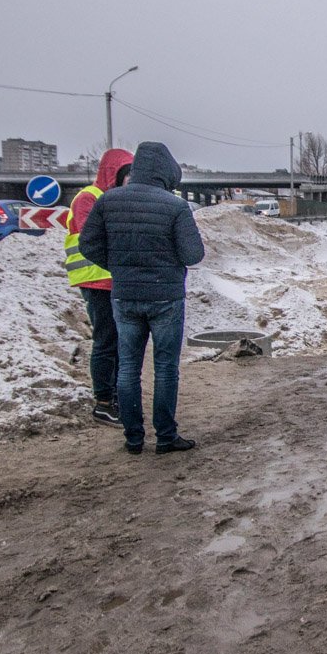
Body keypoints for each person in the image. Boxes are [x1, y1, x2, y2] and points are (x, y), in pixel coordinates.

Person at [79, 141, 205, 455]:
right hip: (166, 298)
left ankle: (133, 438)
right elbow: (193, 254)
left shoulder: (109, 201)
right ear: (167, 172)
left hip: (125, 297)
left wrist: (119, 267)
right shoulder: (175, 206)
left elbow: (87, 244)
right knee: (165, 368)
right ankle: (165, 436)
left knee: (128, 368)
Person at [65, 148, 135, 426]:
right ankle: (103, 402)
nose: (130, 180)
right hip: (95, 280)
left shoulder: (116, 199)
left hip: (113, 280)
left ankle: (116, 396)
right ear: (113, 174)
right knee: (106, 341)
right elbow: (91, 238)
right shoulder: (88, 198)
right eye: (126, 175)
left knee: (117, 341)